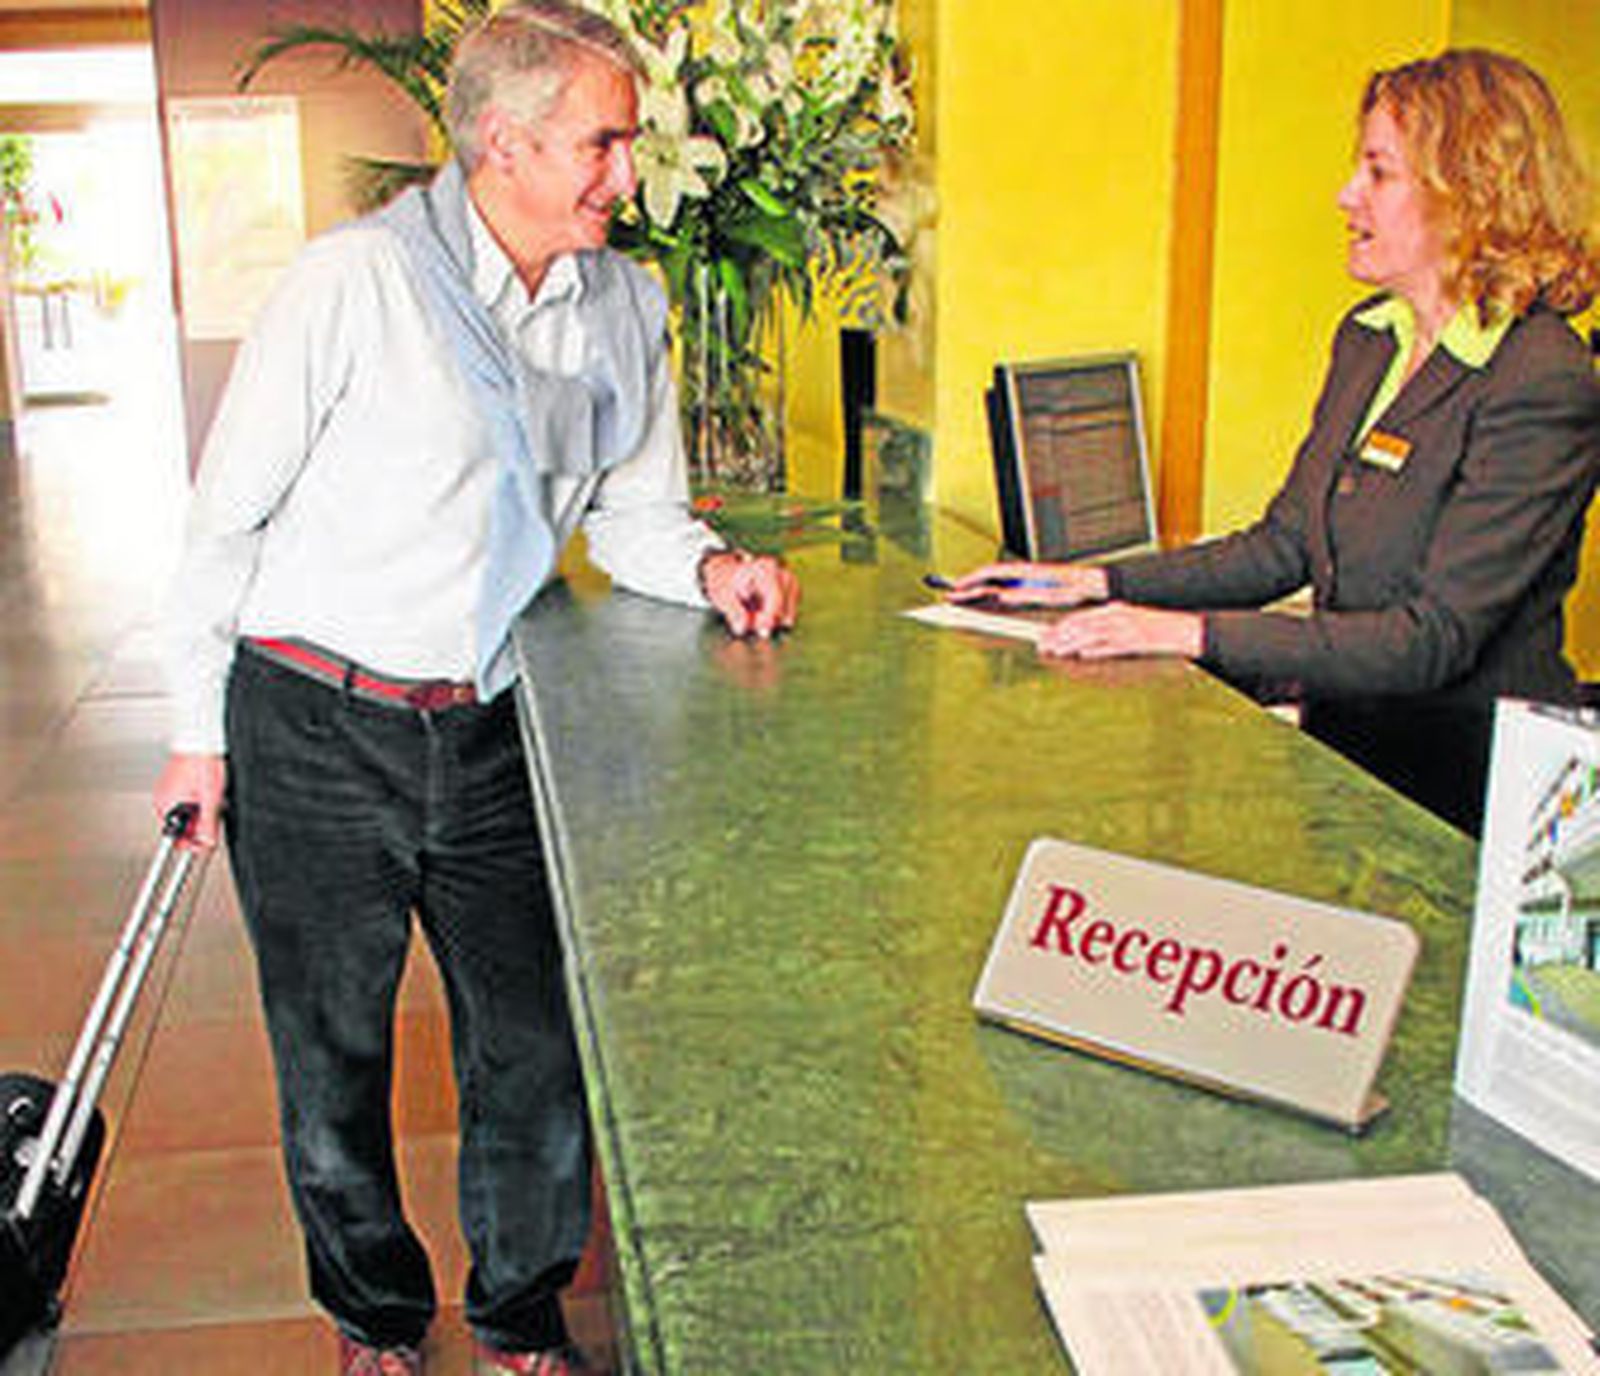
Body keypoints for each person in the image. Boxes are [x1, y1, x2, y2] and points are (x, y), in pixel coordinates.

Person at [152, 4, 797, 1373]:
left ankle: (515, 1312)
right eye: (604, 141)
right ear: (503, 143)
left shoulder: (627, 306)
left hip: (498, 723)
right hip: (313, 718)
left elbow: (631, 516)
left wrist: (717, 567)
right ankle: (375, 1318)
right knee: (333, 1055)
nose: (629, 173)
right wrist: (191, 737)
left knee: (536, 1043)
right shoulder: (354, 285)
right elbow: (225, 518)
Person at [953, 48, 1600, 835]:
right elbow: (1284, 545)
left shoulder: (1540, 377)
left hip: (1472, 805)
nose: (1345, 195)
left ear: (1467, 192)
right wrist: (1095, 582)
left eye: (1378, 172)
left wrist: (1186, 635)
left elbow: (1432, 639)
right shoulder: (1370, 340)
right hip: (1352, 780)